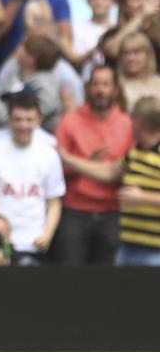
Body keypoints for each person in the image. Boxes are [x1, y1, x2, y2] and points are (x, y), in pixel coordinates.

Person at [58, 96, 160, 266]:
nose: (129, 123)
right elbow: (109, 172)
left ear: (140, 122)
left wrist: (142, 198)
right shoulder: (135, 153)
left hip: (155, 251)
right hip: (128, 247)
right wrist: (68, 159)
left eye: (132, 119)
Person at [0, 93, 65, 266]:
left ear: (38, 120)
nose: (23, 125)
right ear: (9, 119)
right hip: (0, 241)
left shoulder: (49, 154)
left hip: (33, 241)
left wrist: (47, 234)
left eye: (29, 120)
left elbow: (54, 200)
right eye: (18, 119)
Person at [53, 65, 131, 265]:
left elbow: (129, 170)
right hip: (75, 211)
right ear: (88, 88)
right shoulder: (70, 121)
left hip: (113, 211)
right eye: (95, 84)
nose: (100, 89)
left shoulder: (127, 123)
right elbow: (55, 169)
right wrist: (87, 163)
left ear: (115, 90)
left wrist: (81, 164)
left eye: (106, 84)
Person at [116, 31, 160, 111]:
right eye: (126, 53)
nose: (131, 58)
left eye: (136, 52)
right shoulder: (117, 87)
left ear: (148, 54)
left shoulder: (158, 81)